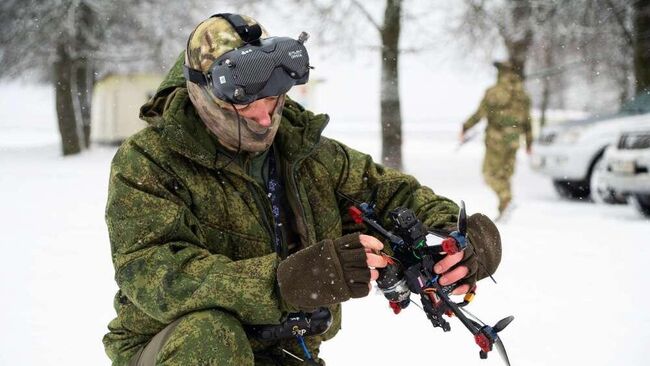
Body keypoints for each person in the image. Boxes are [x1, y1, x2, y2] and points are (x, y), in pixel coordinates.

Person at [103, 13, 503, 366]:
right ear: (202, 95)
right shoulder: (147, 160)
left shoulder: (304, 151)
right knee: (211, 335)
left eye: (274, 97)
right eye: (245, 105)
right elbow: (154, 274)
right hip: (172, 348)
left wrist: (461, 239)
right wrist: (287, 281)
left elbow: (392, 194)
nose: (264, 116)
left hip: (286, 349)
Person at [460, 61, 533, 220]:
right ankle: (504, 208)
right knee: (505, 175)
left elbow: (479, 114)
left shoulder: (493, 92)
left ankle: (506, 199)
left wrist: (465, 127)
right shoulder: (523, 95)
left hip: (496, 140)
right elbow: (528, 121)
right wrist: (529, 142)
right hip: (514, 139)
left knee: (489, 174)